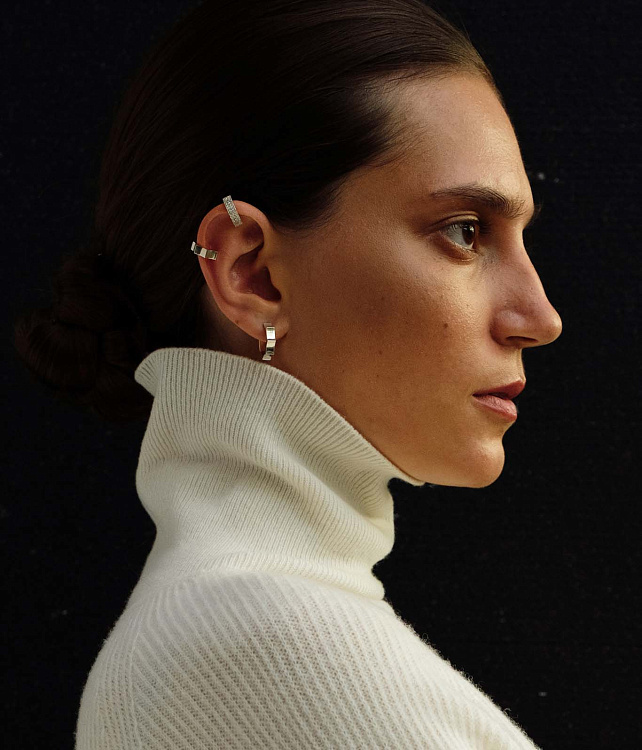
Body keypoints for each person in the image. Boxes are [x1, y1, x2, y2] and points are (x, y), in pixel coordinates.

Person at [13, 0, 562, 747]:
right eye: (465, 232)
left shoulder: (227, 629)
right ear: (253, 273)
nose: (539, 316)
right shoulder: (260, 646)